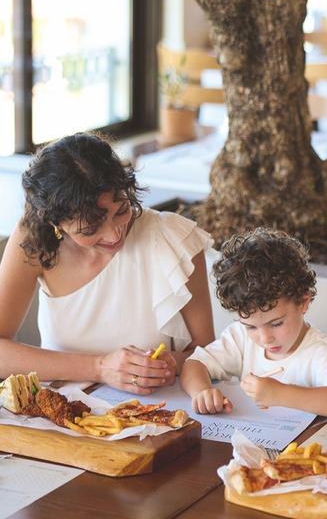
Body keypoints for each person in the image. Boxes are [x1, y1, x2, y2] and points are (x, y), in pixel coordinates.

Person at [0, 133, 215, 393]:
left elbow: (207, 352)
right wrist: (100, 367)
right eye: (90, 229)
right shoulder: (33, 240)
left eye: (122, 210)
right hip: (62, 415)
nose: (114, 235)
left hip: (158, 412)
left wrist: (171, 363)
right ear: (56, 224)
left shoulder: (174, 238)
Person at [181, 227, 327, 417]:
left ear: (303, 302)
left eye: (276, 324)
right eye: (251, 326)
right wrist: (202, 393)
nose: (265, 338)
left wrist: (281, 394)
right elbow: (193, 364)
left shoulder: (318, 352)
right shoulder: (241, 338)